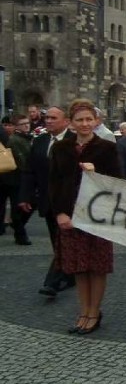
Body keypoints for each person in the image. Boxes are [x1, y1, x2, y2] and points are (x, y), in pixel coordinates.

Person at [48, 99, 121, 334]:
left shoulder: (106, 148)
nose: (85, 124)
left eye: (89, 119)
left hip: (97, 215)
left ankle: (94, 312)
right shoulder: (61, 148)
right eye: (80, 120)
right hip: (70, 215)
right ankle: (84, 310)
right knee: (79, 266)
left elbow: (117, 182)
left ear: (96, 121)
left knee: (96, 266)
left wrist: (96, 172)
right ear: (71, 123)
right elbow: (54, 183)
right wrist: (60, 212)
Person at [18, 106, 76, 297]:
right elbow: (30, 171)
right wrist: (25, 196)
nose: (48, 121)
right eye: (47, 117)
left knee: (63, 241)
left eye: (53, 118)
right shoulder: (40, 141)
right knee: (56, 241)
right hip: (47, 201)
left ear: (66, 121)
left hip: (70, 203)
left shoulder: (74, 142)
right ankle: (69, 274)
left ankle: (52, 282)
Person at [1, 114, 33, 245]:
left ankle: (17, 232)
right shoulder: (16, 140)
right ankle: (20, 234)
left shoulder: (22, 138)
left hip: (10, 177)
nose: (26, 125)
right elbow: (24, 160)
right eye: (23, 124)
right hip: (14, 178)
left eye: (27, 123)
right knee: (18, 208)